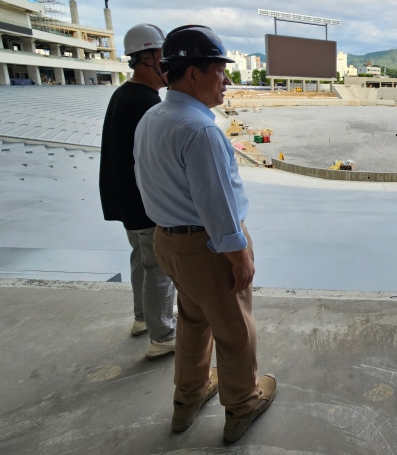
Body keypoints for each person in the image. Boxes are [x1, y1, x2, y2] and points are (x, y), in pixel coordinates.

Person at [133, 25, 276, 442]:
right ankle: (242, 406)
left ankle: (187, 400)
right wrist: (240, 257)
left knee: (194, 321)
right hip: (207, 245)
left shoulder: (152, 117)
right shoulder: (202, 130)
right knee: (235, 330)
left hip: (168, 241)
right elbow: (217, 207)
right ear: (193, 74)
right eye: (219, 70)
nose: (227, 80)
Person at [99, 23, 177, 360]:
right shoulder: (145, 102)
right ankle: (162, 336)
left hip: (126, 203)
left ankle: (142, 318)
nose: (167, 65)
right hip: (145, 205)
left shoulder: (123, 95)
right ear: (145, 59)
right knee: (159, 268)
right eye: (162, 57)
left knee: (140, 261)